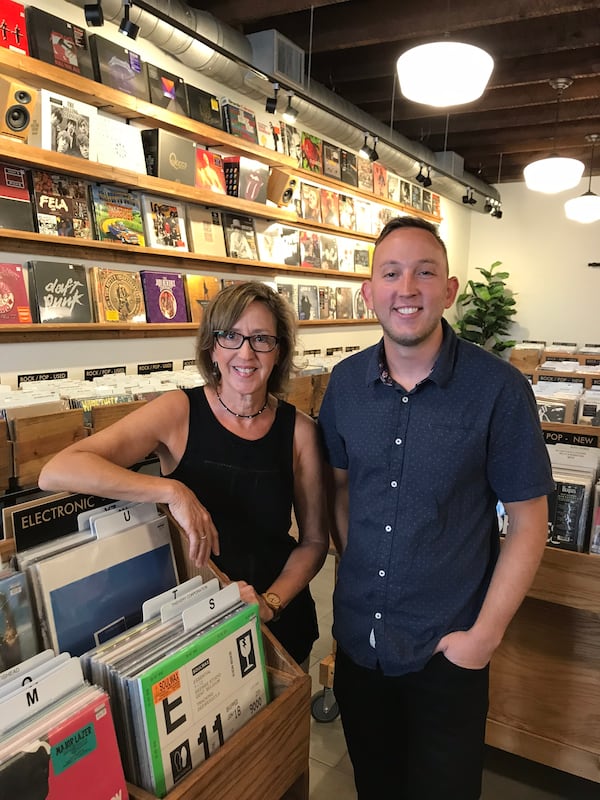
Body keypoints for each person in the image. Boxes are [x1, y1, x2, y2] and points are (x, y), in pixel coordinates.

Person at [318, 216, 554, 800]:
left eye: (425, 273)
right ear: (368, 291)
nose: (407, 289)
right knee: (374, 786)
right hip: (358, 645)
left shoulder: (498, 389)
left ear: (448, 290)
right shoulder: (343, 385)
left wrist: (484, 638)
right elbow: (341, 489)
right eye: (391, 274)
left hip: (447, 653)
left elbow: (529, 524)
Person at [39, 281, 329, 668]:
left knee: (281, 728)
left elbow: (313, 541)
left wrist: (269, 603)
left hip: (279, 623)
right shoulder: (179, 411)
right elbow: (57, 469)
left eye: (261, 339)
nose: (246, 352)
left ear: (279, 352)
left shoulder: (300, 431)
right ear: (212, 347)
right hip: (192, 623)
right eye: (231, 336)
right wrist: (171, 490)